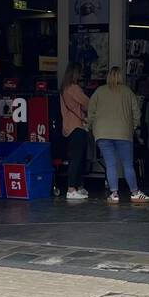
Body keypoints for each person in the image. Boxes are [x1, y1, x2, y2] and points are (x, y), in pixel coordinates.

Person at [85, 65, 149, 203]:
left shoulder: (99, 91)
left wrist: (88, 126)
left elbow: (91, 112)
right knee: (127, 164)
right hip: (123, 133)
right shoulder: (128, 92)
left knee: (110, 164)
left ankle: (114, 194)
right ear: (121, 76)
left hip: (102, 133)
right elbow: (136, 112)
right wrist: (133, 126)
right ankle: (135, 192)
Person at [60, 62, 90, 200]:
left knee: (74, 158)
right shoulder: (74, 88)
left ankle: (76, 187)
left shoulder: (64, 89)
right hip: (77, 126)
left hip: (68, 127)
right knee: (77, 159)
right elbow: (87, 103)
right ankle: (72, 188)